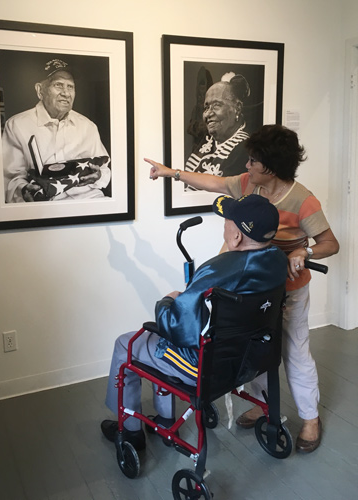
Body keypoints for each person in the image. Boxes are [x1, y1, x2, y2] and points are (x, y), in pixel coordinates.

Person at [145, 124, 340, 453]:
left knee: (293, 350)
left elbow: (330, 243)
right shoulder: (251, 184)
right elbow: (215, 183)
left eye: (252, 161)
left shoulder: (303, 201)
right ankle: (264, 404)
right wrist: (172, 173)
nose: (246, 166)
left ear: (271, 166)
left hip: (287, 290)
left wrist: (302, 252)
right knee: (254, 347)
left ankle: (309, 419)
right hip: (246, 288)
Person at [101, 194, 288, 450]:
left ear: (236, 237)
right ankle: (166, 420)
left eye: (227, 220)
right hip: (252, 358)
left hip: (207, 368)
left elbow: (177, 327)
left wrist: (167, 301)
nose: (224, 224)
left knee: (127, 344)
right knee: (154, 343)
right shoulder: (278, 260)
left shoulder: (218, 270)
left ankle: (130, 430)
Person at [2, 58, 111, 202]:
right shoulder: (17, 125)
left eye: (70, 86)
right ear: (40, 90)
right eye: (58, 85)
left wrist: (98, 176)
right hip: (44, 205)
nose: (66, 93)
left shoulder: (88, 126)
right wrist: (23, 189)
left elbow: (104, 169)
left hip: (88, 199)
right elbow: (9, 178)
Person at [184, 74, 250, 185]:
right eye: (206, 107)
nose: (208, 114)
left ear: (237, 108)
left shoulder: (244, 149)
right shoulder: (206, 140)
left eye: (216, 105)